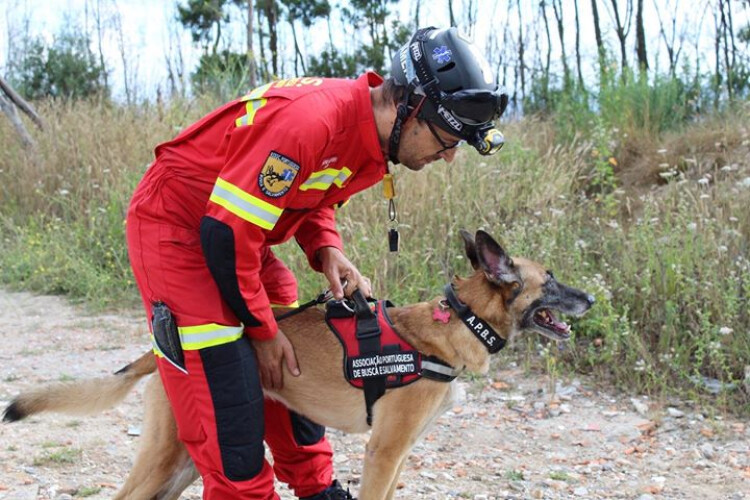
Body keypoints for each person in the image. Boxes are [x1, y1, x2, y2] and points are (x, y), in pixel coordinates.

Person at [125, 26, 507, 499]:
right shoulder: (313, 121)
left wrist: (326, 246)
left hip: (240, 235)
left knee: (301, 355)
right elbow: (225, 236)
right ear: (407, 108)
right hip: (180, 229)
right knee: (227, 395)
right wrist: (262, 333)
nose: (448, 157)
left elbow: (309, 193)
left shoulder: (363, 130)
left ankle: (315, 488)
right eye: (447, 139)